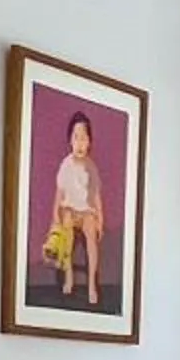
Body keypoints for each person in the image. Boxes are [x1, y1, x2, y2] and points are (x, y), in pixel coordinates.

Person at [48, 112, 108, 304]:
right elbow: (59, 192)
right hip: (70, 210)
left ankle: (91, 284)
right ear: (70, 141)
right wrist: (54, 215)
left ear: (89, 141)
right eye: (76, 137)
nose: (80, 143)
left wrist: (100, 218)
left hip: (86, 211)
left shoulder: (91, 167)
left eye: (84, 138)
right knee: (67, 228)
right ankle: (69, 277)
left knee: (91, 233)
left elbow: (96, 194)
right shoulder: (66, 165)